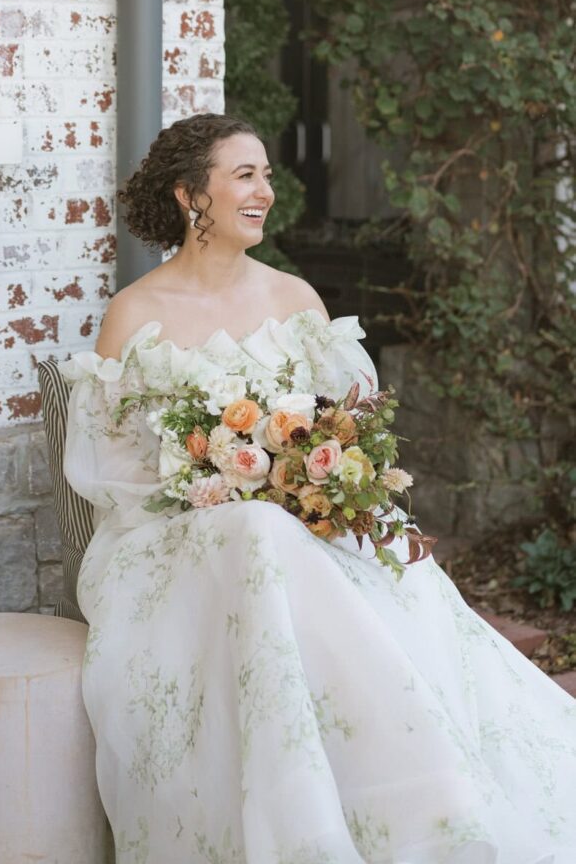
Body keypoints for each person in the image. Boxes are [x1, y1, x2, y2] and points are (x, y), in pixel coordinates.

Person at [61, 113, 576, 864]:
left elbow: (347, 431)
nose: (266, 191)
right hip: (172, 541)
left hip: (301, 530)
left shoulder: (296, 300)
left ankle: (431, 811)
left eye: (268, 175)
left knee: (362, 552)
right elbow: (113, 476)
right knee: (256, 533)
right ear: (187, 195)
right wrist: (214, 481)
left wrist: (310, 483)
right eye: (245, 176)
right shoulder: (135, 314)